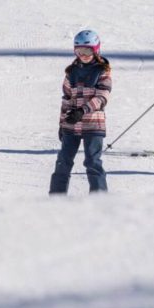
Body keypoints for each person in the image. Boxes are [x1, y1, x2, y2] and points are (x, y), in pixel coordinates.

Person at [49, 30, 112, 194]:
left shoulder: (103, 71)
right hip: (72, 126)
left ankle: (100, 199)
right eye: (79, 51)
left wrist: (82, 111)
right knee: (63, 161)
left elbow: (102, 97)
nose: (83, 55)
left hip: (93, 125)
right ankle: (56, 199)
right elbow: (67, 99)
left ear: (96, 50)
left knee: (92, 161)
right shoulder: (71, 72)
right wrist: (62, 124)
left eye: (88, 51)